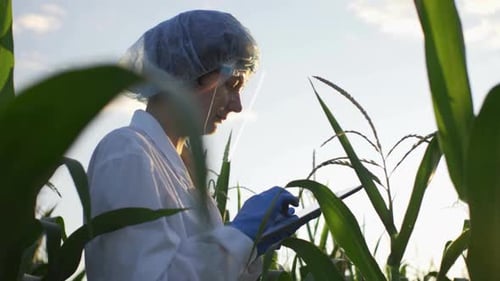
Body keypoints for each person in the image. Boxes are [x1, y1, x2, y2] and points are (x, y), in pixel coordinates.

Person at [85, 10, 300, 281]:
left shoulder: (187, 176)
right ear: (188, 73)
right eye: (231, 85)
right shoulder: (126, 152)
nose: (237, 105)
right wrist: (238, 236)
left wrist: (250, 249)